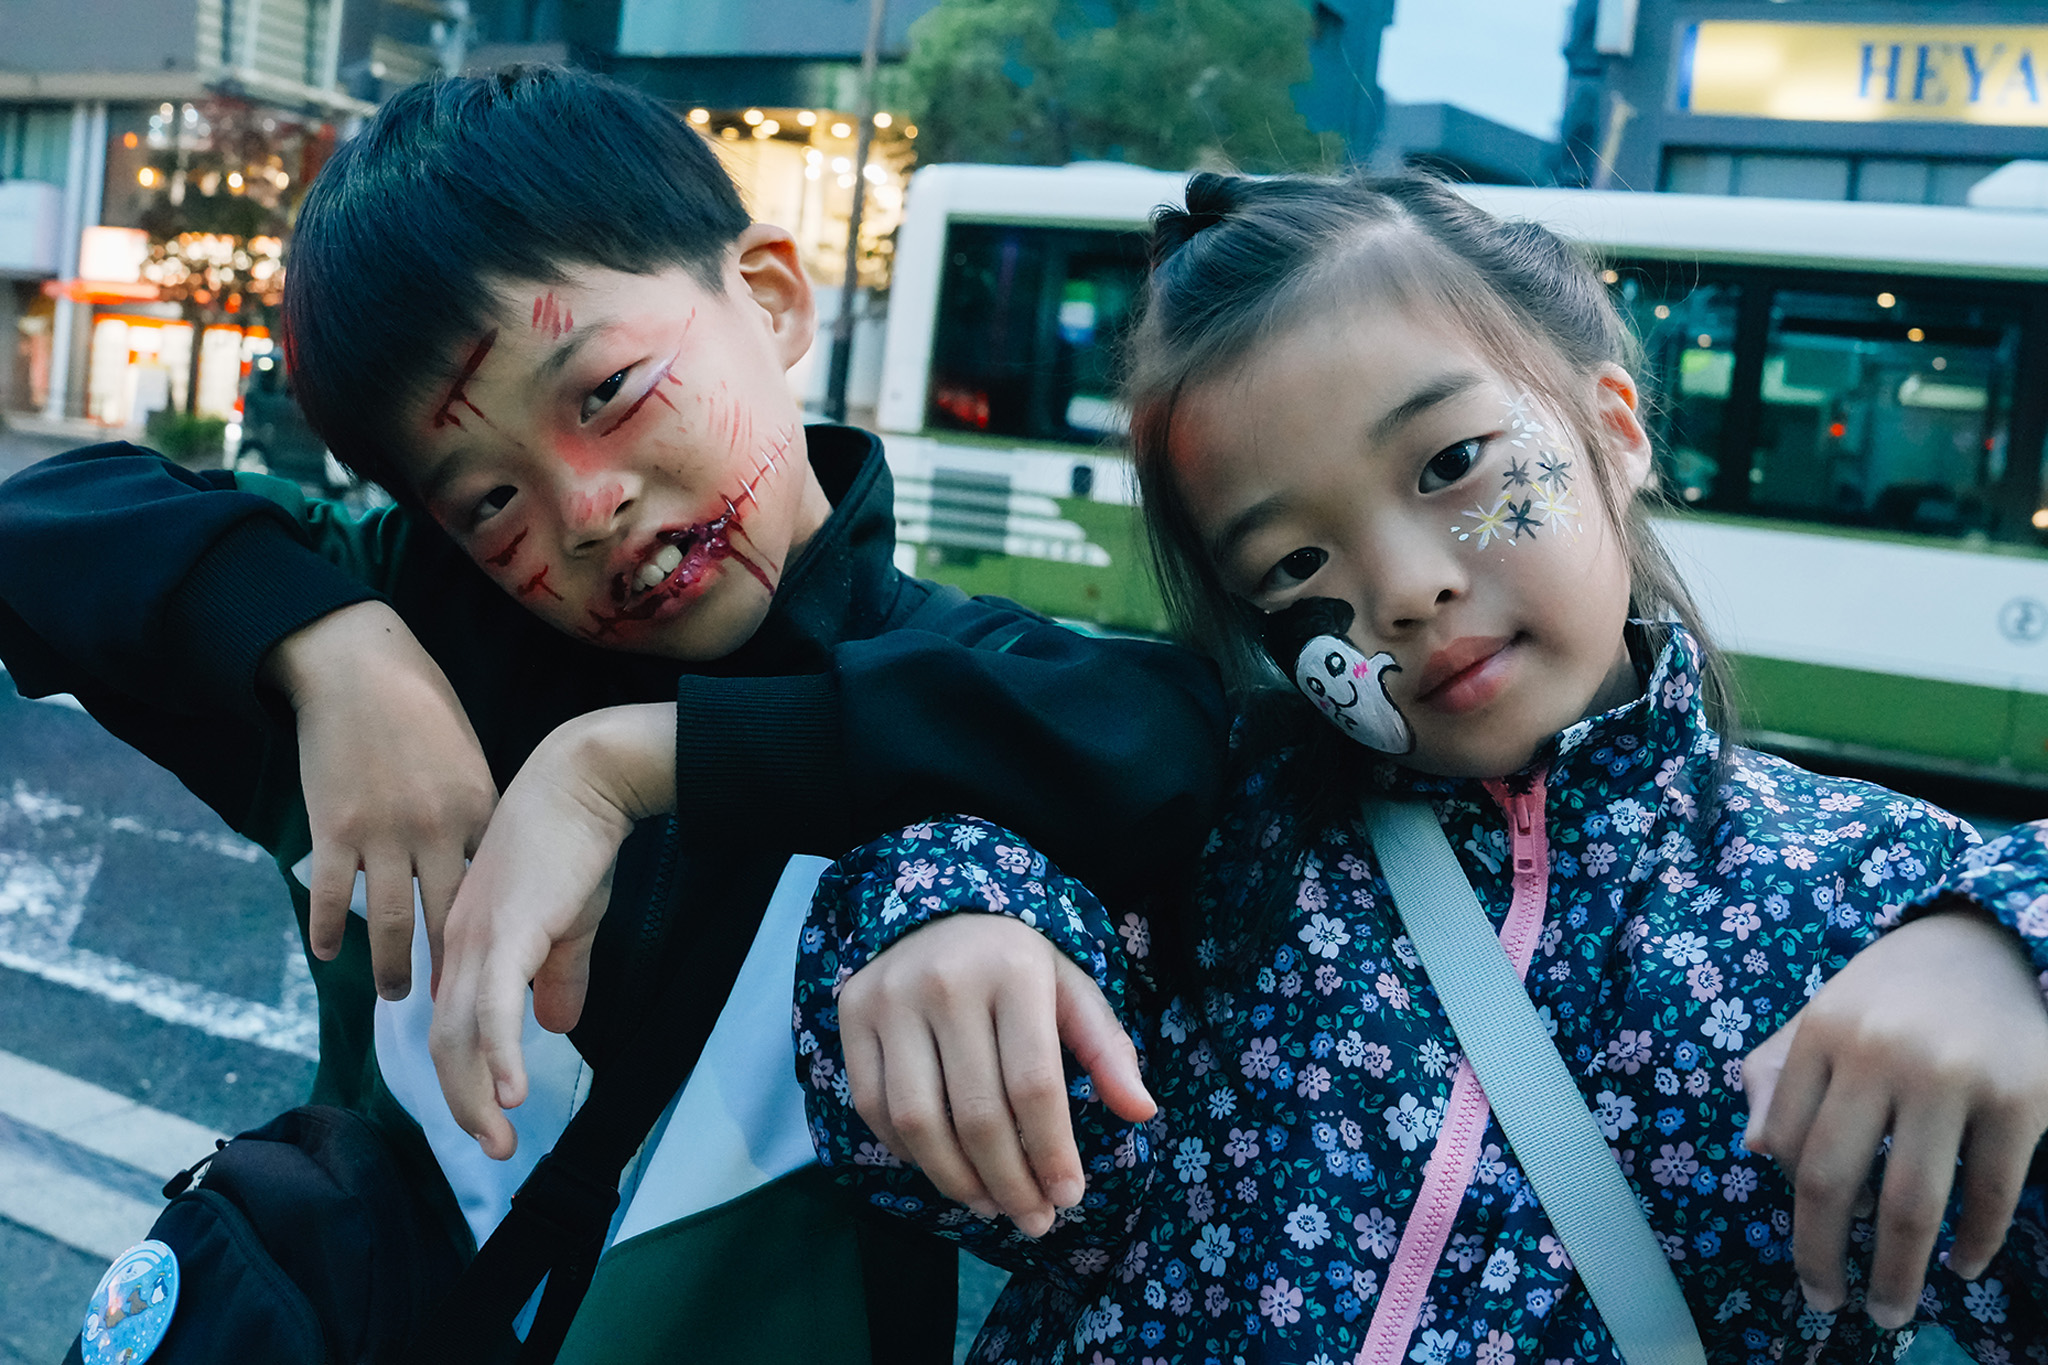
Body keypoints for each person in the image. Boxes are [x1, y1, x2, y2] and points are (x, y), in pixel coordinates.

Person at [0, 67, 1225, 1361]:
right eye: (488, 502)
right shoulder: (414, 637)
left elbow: (1171, 737)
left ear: (769, 296)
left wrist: (635, 762)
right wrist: (336, 651)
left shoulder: (959, 673)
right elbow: (41, 529)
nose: (583, 511)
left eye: (606, 393)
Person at [780, 173, 2048, 1362]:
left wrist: (2013, 953)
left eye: (1450, 465)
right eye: (1292, 566)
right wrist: (946, 913)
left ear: (1613, 429)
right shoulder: (1203, 844)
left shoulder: (1872, 901)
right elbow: (969, 1169)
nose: (1401, 589)